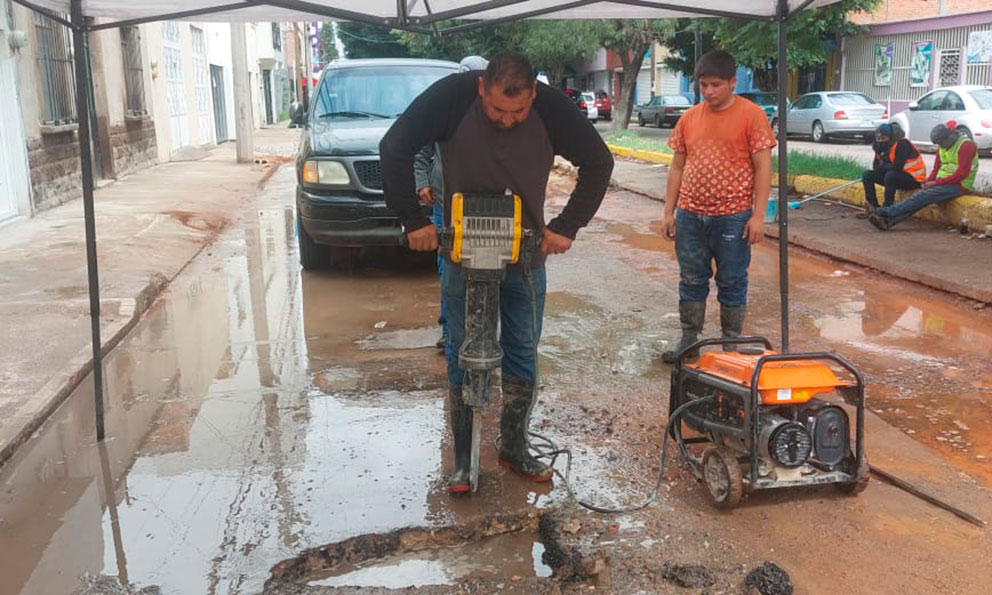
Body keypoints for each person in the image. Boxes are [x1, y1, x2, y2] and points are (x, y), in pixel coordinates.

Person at [380, 52, 613, 494]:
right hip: (461, 251)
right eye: (498, 110)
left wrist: (567, 225)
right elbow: (395, 146)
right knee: (462, 348)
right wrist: (413, 220)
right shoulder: (451, 98)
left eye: (519, 111)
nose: (508, 120)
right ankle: (464, 459)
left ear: (533, 94)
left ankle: (514, 446)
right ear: (481, 88)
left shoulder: (551, 107)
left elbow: (599, 162)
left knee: (522, 348)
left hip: (525, 252)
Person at [659, 50, 776, 363]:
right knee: (691, 278)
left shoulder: (752, 116)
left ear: (732, 82)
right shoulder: (689, 118)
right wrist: (669, 212)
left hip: (733, 216)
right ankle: (689, 339)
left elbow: (763, 168)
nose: (708, 91)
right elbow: (677, 166)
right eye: (703, 85)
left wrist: (758, 216)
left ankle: (731, 345)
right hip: (690, 214)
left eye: (715, 85)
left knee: (732, 279)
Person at [414, 56, 490, 353]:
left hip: (483, 207)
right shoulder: (442, 113)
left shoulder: (496, 115)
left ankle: (483, 329)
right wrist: (422, 182)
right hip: (444, 205)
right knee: (449, 269)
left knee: (486, 266)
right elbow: (421, 152)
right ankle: (450, 329)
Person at [869, 122, 978, 231]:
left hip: (959, 185)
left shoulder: (966, 146)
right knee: (920, 199)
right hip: (942, 181)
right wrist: (929, 181)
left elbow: (961, 174)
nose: (940, 146)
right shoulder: (942, 146)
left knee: (922, 196)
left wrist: (935, 183)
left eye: (941, 143)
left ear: (949, 137)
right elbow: (936, 168)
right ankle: (887, 221)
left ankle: (886, 212)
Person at [860, 123, 926, 217]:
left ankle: (887, 207)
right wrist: (886, 167)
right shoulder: (879, 148)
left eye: (883, 138)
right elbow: (876, 167)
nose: (880, 141)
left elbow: (897, 167)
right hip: (896, 176)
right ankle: (873, 206)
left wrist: (884, 167)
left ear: (890, 137)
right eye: (878, 138)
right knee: (867, 175)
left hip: (913, 178)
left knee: (890, 175)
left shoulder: (902, 144)